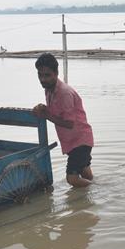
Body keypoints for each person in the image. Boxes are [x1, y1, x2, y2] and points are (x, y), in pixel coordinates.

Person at [31, 53, 94, 188]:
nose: (43, 79)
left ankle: (99, 190)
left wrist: (46, 115)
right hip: (73, 141)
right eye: (40, 75)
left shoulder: (64, 93)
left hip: (80, 141)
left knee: (72, 179)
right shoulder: (49, 89)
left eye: (47, 75)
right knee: (85, 173)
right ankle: (89, 196)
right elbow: (57, 111)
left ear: (56, 73)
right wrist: (44, 108)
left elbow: (69, 123)